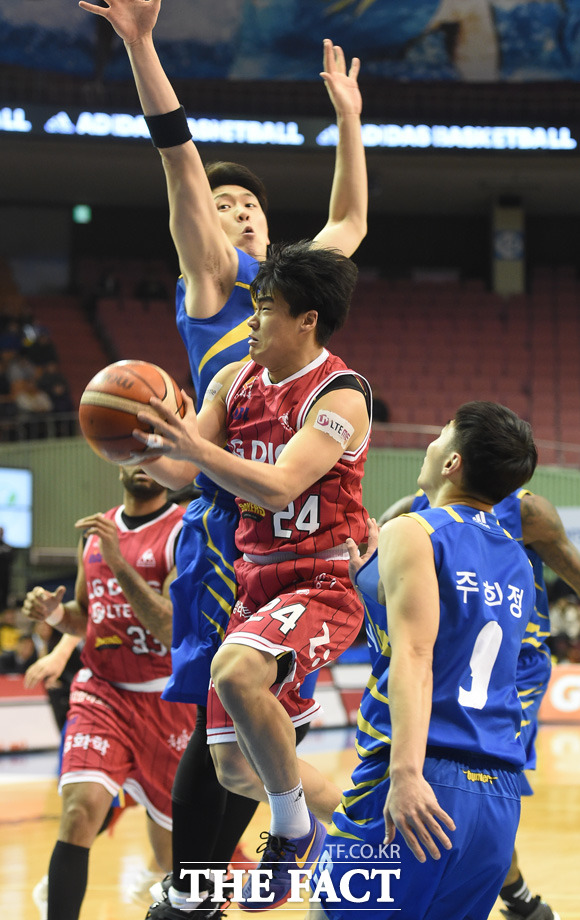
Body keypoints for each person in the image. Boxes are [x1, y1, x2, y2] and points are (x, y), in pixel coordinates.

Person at [77, 0, 368, 915]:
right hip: (223, 527)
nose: (232, 211)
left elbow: (350, 222)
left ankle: (213, 880)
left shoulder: (293, 292)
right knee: (220, 733)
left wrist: (350, 123)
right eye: (223, 203)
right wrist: (142, 45)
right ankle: (221, 874)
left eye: (248, 205)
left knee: (231, 723)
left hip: (295, 528)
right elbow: (178, 156)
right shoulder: (213, 285)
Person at [135, 240, 372, 912]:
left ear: (307, 320)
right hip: (255, 585)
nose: (250, 323)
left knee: (236, 671)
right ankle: (357, 839)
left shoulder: (341, 394)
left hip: (321, 581)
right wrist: (136, 442)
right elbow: (182, 472)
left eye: (264, 310)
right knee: (235, 768)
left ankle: (294, 834)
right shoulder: (230, 382)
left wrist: (192, 446)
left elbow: (279, 486)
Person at [306, 401, 538, 919]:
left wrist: (407, 774)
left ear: (453, 462)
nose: (431, 443)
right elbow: (452, 632)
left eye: (440, 434)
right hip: (498, 798)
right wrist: (370, 577)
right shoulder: (518, 561)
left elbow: (416, 649)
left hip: (422, 776)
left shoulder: (415, 529)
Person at [379, 484, 579, 920]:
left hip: (510, 671)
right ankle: (517, 897)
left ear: (458, 457)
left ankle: (510, 897)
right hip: (436, 660)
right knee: (419, 780)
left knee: (477, 785)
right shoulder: (409, 514)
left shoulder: (526, 511)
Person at [22, 465, 197, 920]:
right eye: (133, 453)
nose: (143, 465)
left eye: (153, 456)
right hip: (103, 693)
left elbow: (170, 629)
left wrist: (120, 563)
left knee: (174, 859)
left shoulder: (184, 530)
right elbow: (87, 616)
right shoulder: (95, 532)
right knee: (80, 813)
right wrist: (56, 614)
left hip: (166, 704)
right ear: (117, 458)